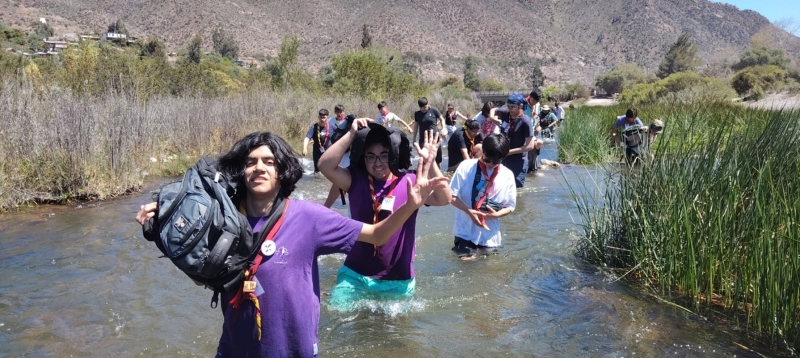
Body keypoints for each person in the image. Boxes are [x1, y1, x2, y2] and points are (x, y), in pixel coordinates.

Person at [135, 131, 446, 356]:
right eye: (251, 162)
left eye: (269, 162)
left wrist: (410, 205)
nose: (259, 167)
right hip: (235, 348)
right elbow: (204, 276)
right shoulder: (225, 222)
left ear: (282, 170)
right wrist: (163, 231)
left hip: (294, 350)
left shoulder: (309, 218)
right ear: (241, 172)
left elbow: (377, 235)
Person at [318, 118, 451, 310]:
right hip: (355, 275)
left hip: (398, 279)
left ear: (394, 156)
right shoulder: (355, 180)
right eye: (370, 156)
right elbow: (325, 165)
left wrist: (430, 163)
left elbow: (444, 199)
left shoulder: (410, 181)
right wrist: (352, 133)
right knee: (339, 320)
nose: (377, 163)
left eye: (384, 156)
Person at [449, 134, 516, 259]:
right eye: (487, 159)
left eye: (496, 161)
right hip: (465, 232)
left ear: (503, 158)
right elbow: (451, 196)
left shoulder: (507, 175)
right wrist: (469, 211)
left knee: (487, 273)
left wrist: (496, 215)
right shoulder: (466, 167)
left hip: (490, 235)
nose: (490, 164)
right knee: (465, 268)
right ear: (482, 152)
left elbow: (510, 206)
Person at [497, 93, 536, 188]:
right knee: (502, 187)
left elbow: (530, 146)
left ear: (520, 106)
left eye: (513, 107)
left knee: (515, 190)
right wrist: (493, 118)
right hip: (504, 159)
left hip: (518, 162)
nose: (510, 110)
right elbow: (492, 109)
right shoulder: (506, 114)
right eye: (508, 107)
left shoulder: (525, 121)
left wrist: (509, 152)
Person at [323, 104, 355, 208]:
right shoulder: (331, 121)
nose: (339, 113)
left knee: (343, 174)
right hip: (336, 152)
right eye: (337, 111)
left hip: (345, 153)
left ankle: (343, 198)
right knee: (336, 174)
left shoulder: (348, 121)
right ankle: (341, 198)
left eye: (341, 111)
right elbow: (327, 134)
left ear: (344, 111)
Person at [412, 97, 447, 167]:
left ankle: (439, 174)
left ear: (428, 104)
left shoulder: (434, 110)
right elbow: (416, 125)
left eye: (425, 107)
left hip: (435, 138)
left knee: (438, 159)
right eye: (421, 107)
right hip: (423, 139)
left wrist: (443, 128)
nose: (423, 109)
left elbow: (442, 119)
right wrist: (414, 138)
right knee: (424, 158)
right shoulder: (417, 114)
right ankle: (427, 176)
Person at [302, 108, 332, 173]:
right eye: (320, 117)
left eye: (324, 117)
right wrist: (305, 148)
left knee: (328, 172)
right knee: (317, 173)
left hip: (328, 154)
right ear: (318, 117)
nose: (322, 119)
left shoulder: (332, 127)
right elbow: (307, 138)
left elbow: (337, 139)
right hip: (317, 154)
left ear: (327, 117)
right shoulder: (314, 127)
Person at [524, 91, 544, 173]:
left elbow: (537, 117)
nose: (534, 103)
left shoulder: (537, 105)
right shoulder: (523, 104)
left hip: (534, 131)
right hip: (524, 132)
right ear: (530, 97)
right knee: (528, 150)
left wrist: (538, 125)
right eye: (533, 101)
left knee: (538, 144)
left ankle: (533, 170)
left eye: (536, 101)